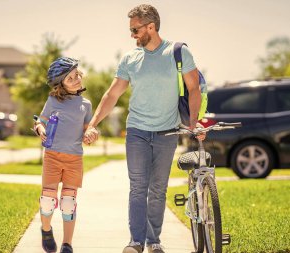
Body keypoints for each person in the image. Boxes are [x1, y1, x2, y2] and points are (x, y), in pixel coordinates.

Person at [83, 4, 204, 253]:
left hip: (167, 132)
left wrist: (194, 124)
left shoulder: (177, 53)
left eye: (135, 29)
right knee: (138, 187)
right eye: (131, 30)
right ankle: (136, 241)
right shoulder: (130, 58)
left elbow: (194, 89)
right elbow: (112, 94)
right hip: (137, 130)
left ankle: (154, 240)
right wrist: (92, 123)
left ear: (151, 26)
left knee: (158, 189)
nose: (132, 35)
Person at [33, 56, 92, 253]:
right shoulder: (52, 101)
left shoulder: (86, 105)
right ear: (60, 85)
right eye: (70, 78)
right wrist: (41, 129)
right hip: (52, 156)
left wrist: (92, 134)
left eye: (77, 75)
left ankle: (67, 244)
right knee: (48, 200)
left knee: (68, 203)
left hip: (74, 158)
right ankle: (46, 229)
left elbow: (88, 130)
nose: (76, 80)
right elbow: (40, 121)